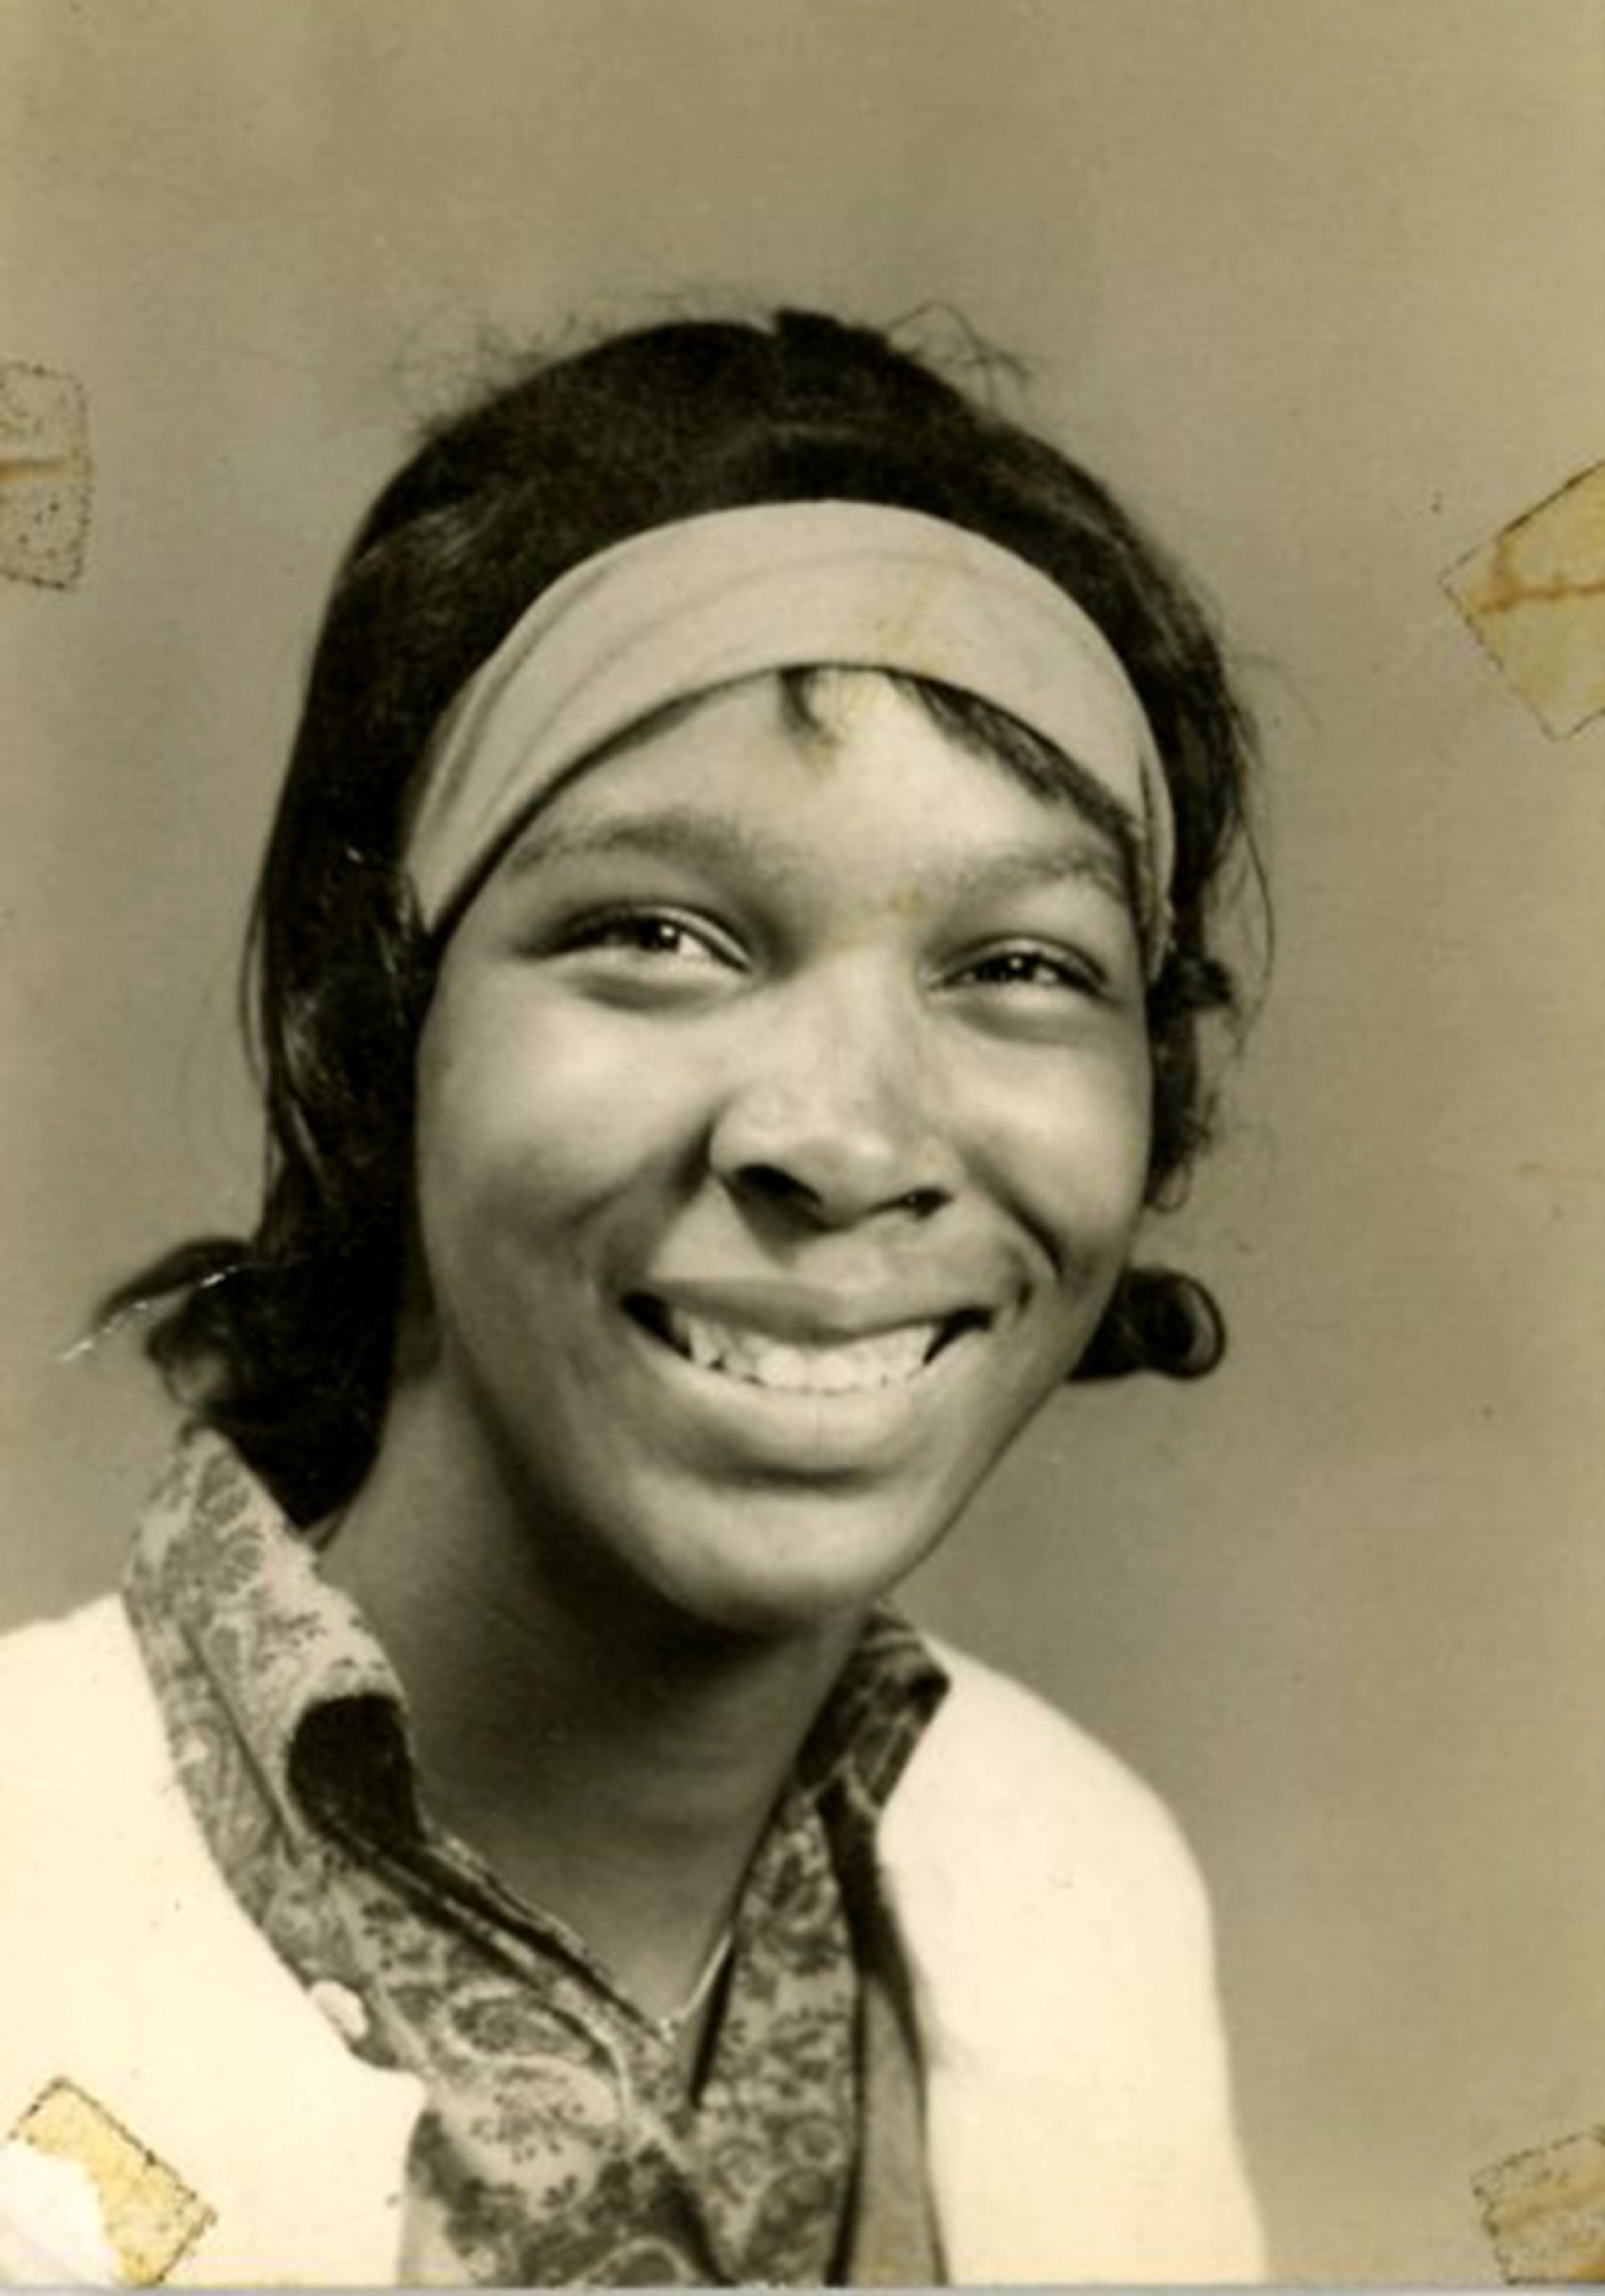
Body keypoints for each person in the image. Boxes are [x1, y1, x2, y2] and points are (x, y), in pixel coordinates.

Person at [0, 309, 1265, 2285]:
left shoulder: (1085, 1890)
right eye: (658, 933)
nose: (847, 1140)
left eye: (1022, 965)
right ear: (375, 1032)